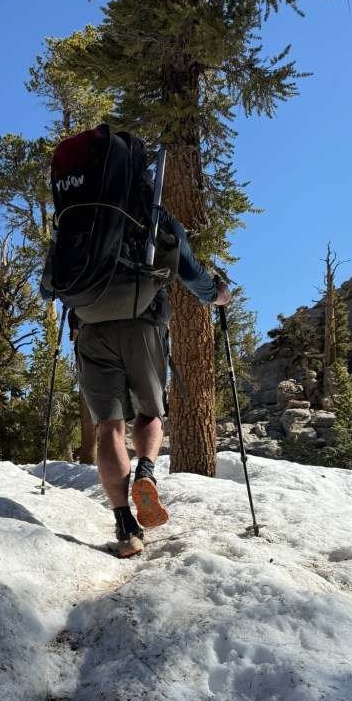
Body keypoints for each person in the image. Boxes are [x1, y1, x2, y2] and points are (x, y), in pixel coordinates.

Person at [42, 205, 230, 558]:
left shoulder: (73, 216)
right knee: (150, 412)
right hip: (144, 322)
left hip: (91, 328)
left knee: (109, 427)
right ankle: (145, 470)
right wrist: (217, 294)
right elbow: (191, 274)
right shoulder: (153, 214)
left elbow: (48, 290)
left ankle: (125, 528)